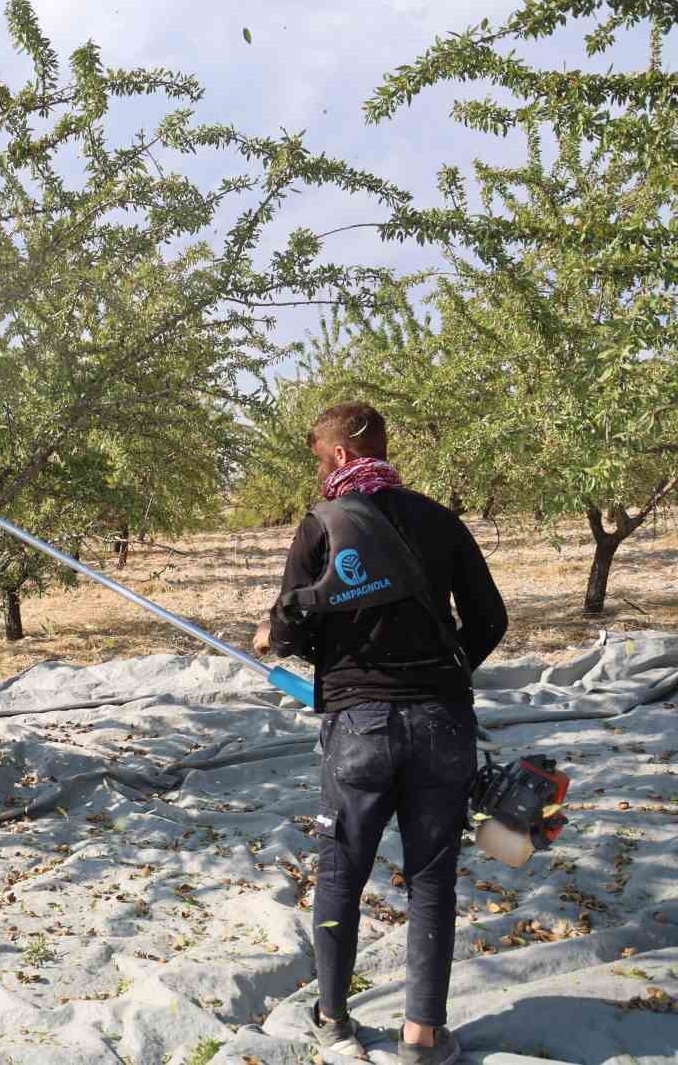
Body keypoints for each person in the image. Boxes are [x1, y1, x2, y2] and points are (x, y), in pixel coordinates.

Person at [252, 403, 507, 1065]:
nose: (318, 471)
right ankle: (423, 1037)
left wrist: (294, 646)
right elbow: (490, 619)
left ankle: (334, 1024)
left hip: (358, 729)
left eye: (318, 459)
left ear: (337, 457)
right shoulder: (440, 520)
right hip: (442, 724)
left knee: (341, 869)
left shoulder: (322, 525)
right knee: (431, 877)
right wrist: (446, 675)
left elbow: (286, 630)